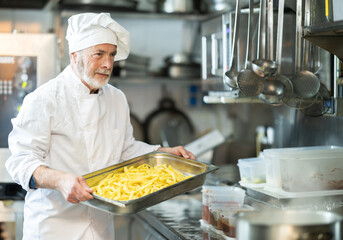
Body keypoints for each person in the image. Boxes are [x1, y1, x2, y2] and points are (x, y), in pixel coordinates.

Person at [6, 12, 195, 240]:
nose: (108, 64)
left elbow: (125, 150)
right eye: (99, 54)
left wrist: (161, 153)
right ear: (75, 55)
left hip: (101, 229)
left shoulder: (117, 99)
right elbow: (20, 162)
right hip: (54, 228)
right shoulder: (44, 99)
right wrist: (61, 180)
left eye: (112, 55)